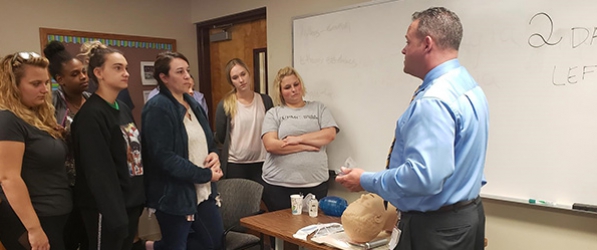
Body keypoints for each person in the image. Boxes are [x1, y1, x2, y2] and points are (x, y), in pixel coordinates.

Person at [335, 7, 489, 250]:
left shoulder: (433, 101)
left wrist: (366, 180)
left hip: (435, 229)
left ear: (427, 44)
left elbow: (423, 178)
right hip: (467, 218)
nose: (403, 49)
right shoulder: (468, 86)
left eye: (408, 42)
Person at [141, 51, 223, 250]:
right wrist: (205, 174)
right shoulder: (157, 108)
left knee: (214, 243)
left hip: (204, 193)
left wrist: (214, 155)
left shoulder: (193, 103)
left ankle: (153, 247)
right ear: (164, 77)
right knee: (176, 246)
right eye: (180, 71)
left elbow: (207, 141)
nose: (187, 76)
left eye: (188, 70)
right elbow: (165, 158)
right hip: (174, 195)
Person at [71, 41, 145, 250]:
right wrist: (116, 215)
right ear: (98, 73)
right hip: (106, 210)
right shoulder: (91, 116)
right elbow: (98, 171)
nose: (126, 73)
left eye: (126, 68)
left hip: (130, 203)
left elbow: (133, 154)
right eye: (118, 68)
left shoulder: (121, 108)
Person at [0, 51, 71, 250]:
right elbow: (8, 178)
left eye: (46, 83)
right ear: (14, 86)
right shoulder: (8, 120)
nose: (44, 89)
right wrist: (34, 229)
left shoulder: (37, 118)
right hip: (35, 220)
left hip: (55, 216)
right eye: (35, 84)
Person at [261, 66, 339, 212]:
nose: (293, 90)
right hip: (278, 186)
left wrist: (297, 139)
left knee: (311, 231)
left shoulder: (318, 108)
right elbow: (271, 145)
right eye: (287, 87)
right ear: (281, 91)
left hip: (315, 185)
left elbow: (329, 135)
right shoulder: (274, 113)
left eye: (296, 84)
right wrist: (306, 146)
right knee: (280, 230)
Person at [43, 40, 90, 250]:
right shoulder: (50, 106)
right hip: (65, 186)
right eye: (74, 74)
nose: (82, 77)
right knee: (69, 239)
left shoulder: (92, 102)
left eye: (83, 72)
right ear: (59, 79)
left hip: (91, 183)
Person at [215, 58, 273, 183]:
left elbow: (272, 130)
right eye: (235, 78)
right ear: (231, 82)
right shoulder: (225, 104)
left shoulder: (265, 100)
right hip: (235, 164)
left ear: (249, 73)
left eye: (243, 74)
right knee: (238, 202)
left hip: (262, 162)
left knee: (261, 200)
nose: (241, 80)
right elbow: (221, 136)